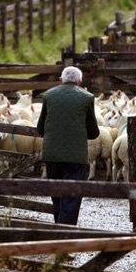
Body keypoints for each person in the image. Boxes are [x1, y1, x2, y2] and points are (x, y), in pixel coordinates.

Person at [36, 66, 100, 225]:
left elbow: (40, 128)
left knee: (56, 192)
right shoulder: (87, 98)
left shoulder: (48, 96)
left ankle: (59, 229)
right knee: (72, 195)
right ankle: (65, 234)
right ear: (80, 81)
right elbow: (93, 132)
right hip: (76, 156)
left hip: (52, 154)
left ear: (60, 79)